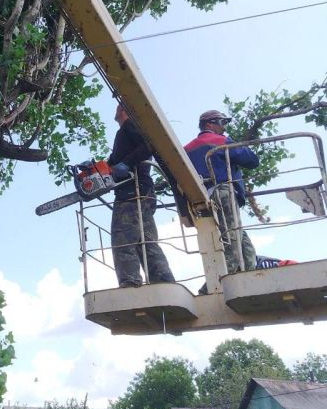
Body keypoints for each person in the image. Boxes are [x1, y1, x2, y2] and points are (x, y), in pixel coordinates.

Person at [108, 103, 175, 287]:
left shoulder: (130, 126)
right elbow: (115, 162)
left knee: (123, 237)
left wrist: (126, 164)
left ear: (123, 110)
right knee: (145, 240)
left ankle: (129, 281)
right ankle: (163, 279)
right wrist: (107, 167)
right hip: (141, 190)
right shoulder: (123, 134)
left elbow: (148, 146)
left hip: (132, 191)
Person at [185, 110, 259, 273]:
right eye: (222, 123)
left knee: (244, 246)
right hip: (223, 193)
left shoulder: (186, 149)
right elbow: (252, 160)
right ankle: (222, 280)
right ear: (210, 124)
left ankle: (248, 275)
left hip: (200, 200)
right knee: (231, 241)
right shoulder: (220, 140)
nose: (224, 128)